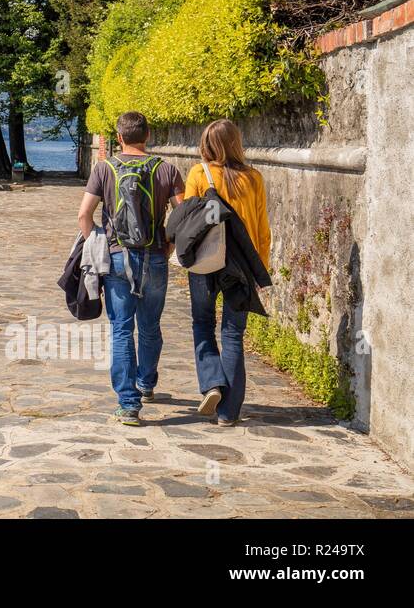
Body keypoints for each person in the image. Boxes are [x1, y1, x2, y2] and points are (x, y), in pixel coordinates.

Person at [77, 111, 184, 426]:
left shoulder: (104, 168)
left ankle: (128, 405)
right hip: (155, 257)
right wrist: (169, 247)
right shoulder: (167, 170)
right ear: (148, 136)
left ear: (118, 137)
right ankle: (146, 384)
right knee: (150, 326)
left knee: (122, 328)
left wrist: (97, 243)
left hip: (118, 257)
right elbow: (183, 218)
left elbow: (84, 215)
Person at [183, 119, 271, 427]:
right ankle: (229, 413)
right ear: (236, 143)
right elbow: (262, 230)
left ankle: (212, 384)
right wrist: (261, 271)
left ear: (207, 144)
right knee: (233, 334)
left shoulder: (199, 173)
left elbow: (188, 222)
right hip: (241, 267)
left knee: (203, 324)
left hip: (206, 262)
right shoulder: (254, 178)